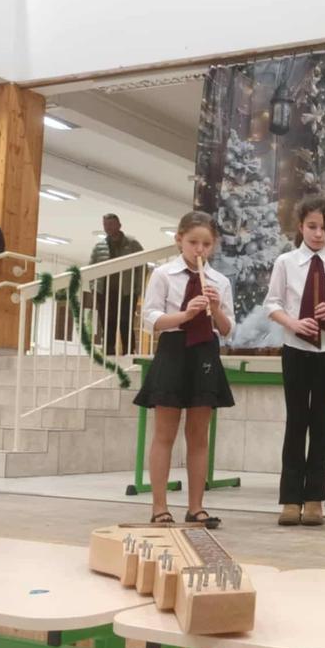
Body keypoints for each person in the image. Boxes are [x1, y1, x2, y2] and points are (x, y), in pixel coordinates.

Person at [134, 211, 235, 529]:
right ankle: (159, 506)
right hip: (173, 349)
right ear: (179, 240)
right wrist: (184, 315)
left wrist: (214, 307)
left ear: (213, 244)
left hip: (205, 351)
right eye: (193, 242)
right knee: (164, 433)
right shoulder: (163, 274)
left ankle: (196, 507)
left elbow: (227, 329)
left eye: (206, 244)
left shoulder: (220, 281)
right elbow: (151, 320)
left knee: (198, 435)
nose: (199, 250)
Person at [263, 197, 325, 527]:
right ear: (300, 226)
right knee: (296, 421)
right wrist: (292, 323)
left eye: (324, 227)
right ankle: (290, 499)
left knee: (321, 422)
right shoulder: (286, 262)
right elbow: (272, 304)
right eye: (312, 226)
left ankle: (315, 498)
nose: (318, 233)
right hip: (295, 348)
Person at [89, 213, 144, 356]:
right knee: (107, 322)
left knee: (125, 322)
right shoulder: (99, 247)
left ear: (119, 225)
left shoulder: (132, 244)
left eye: (111, 224)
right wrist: (94, 288)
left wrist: (138, 288)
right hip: (105, 291)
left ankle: (129, 352)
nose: (108, 227)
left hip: (127, 291)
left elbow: (142, 267)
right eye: (105, 225)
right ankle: (109, 353)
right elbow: (91, 269)